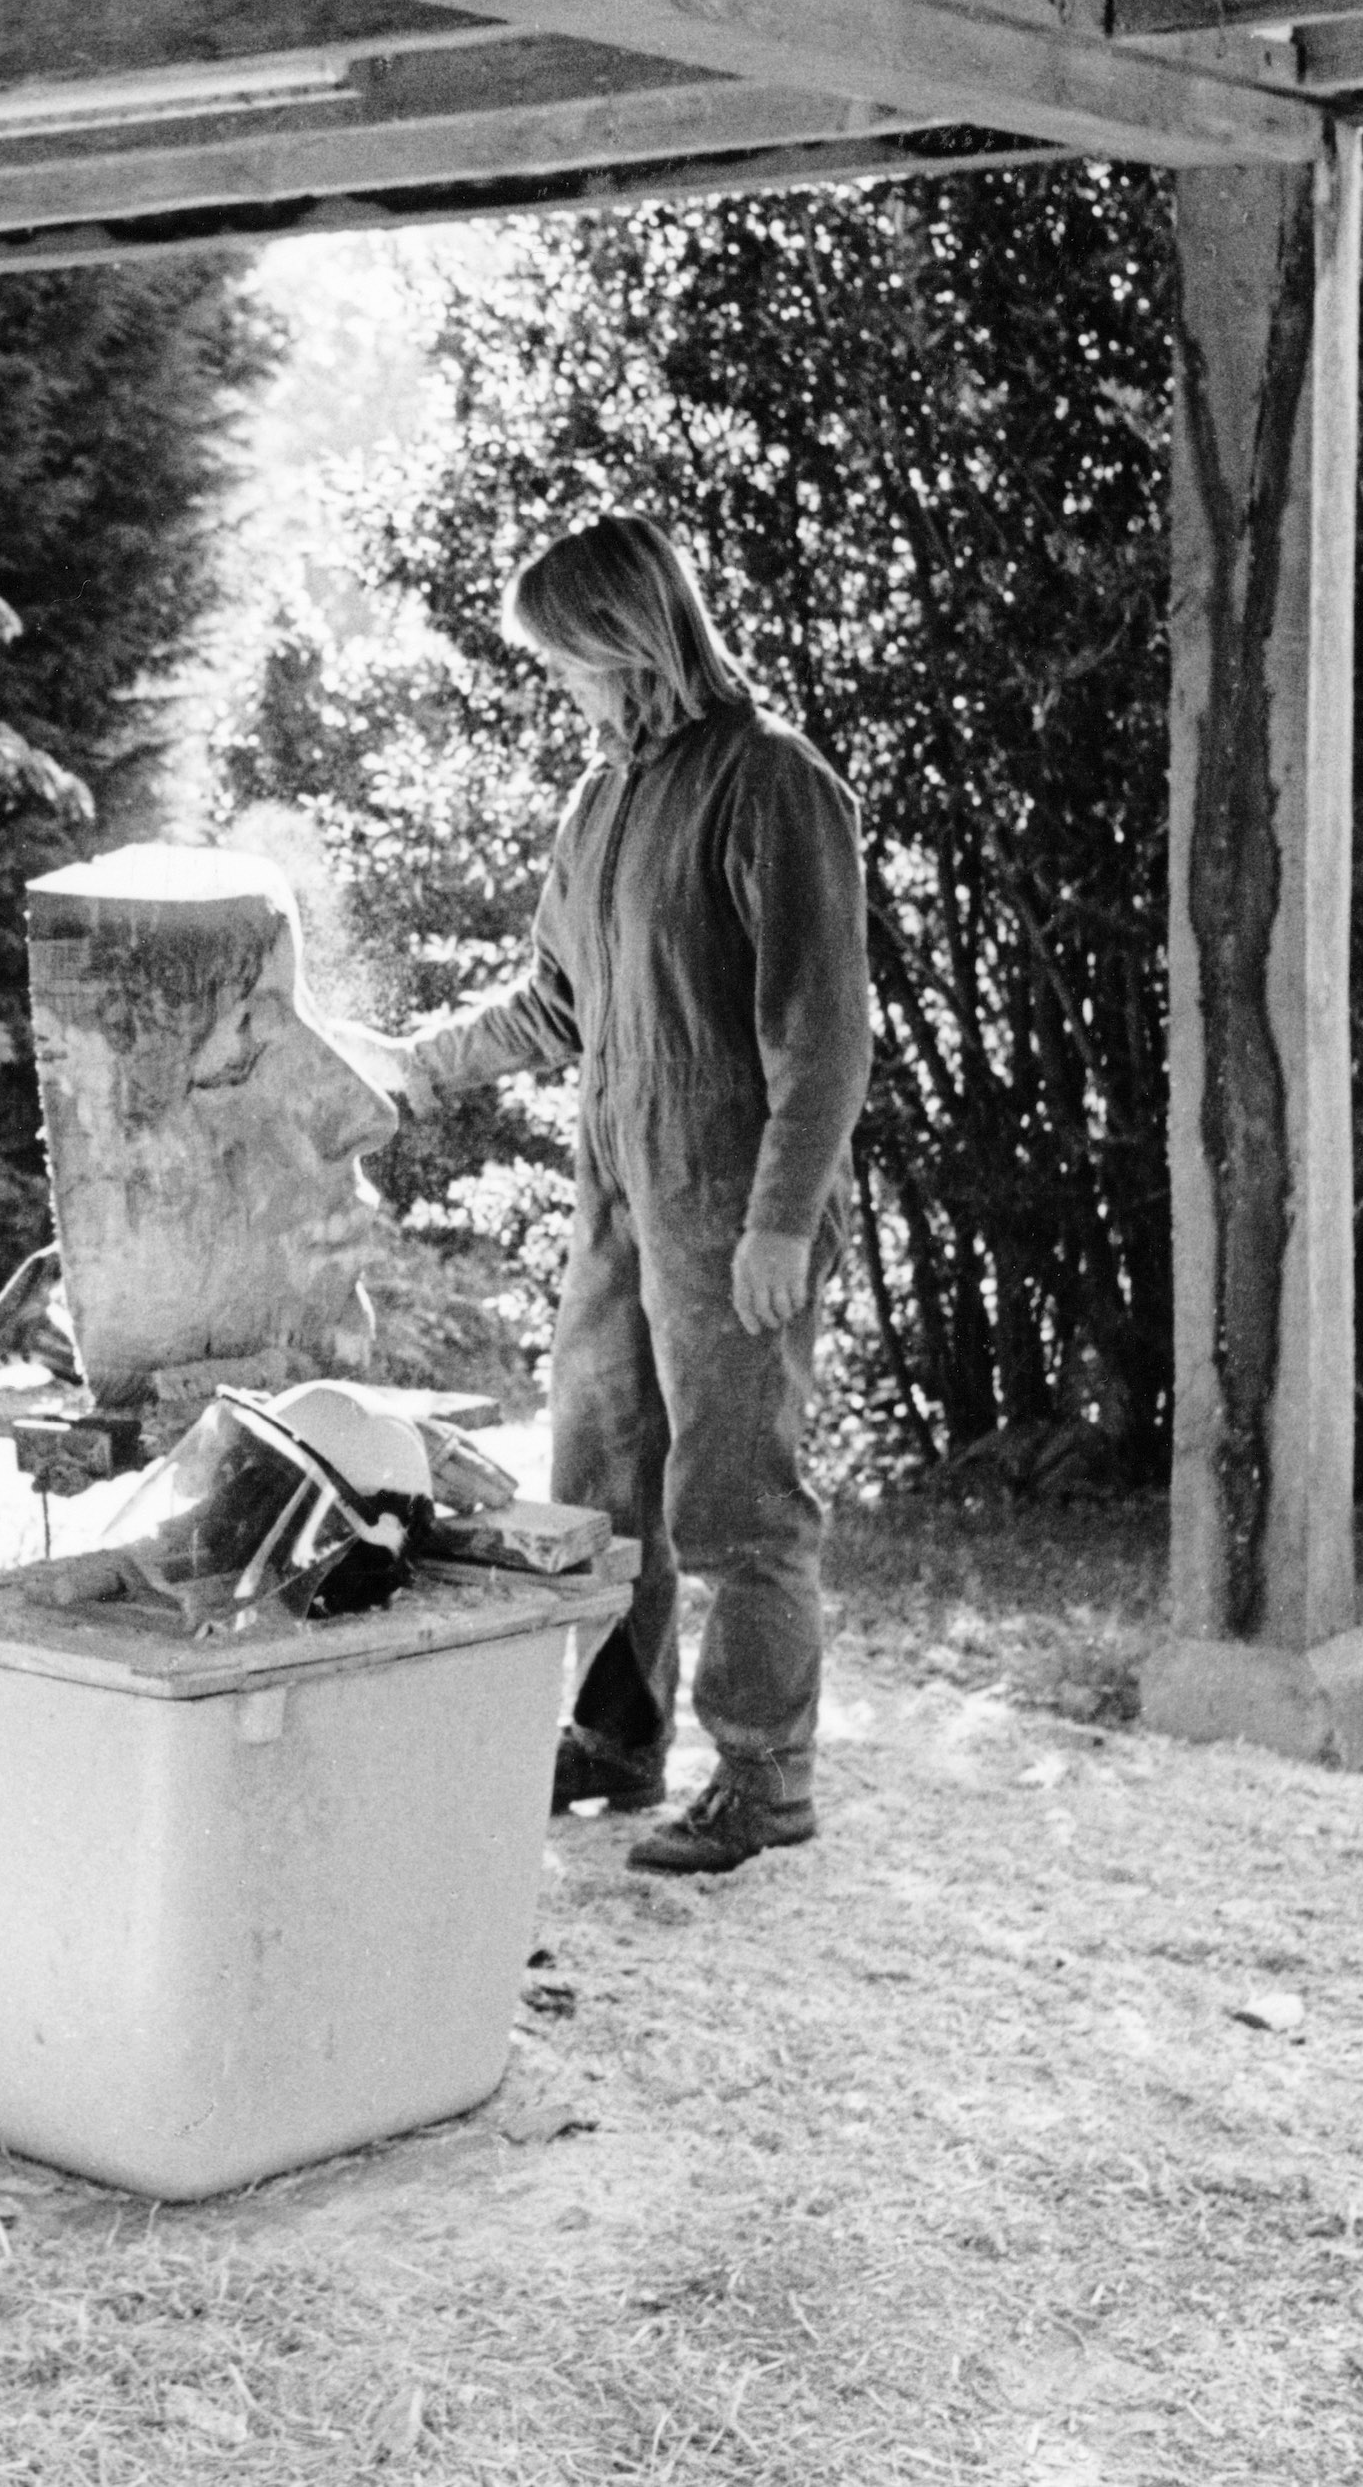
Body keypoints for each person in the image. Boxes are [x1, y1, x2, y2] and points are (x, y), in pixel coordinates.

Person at [350, 517, 871, 1876]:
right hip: (618, 1190)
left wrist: (777, 1221)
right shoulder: (599, 802)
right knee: (598, 1480)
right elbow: (550, 1003)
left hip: (730, 1198)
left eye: (558, 655)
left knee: (740, 1498)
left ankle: (763, 1779)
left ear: (618, 636)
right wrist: (413, 1067)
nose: (553, 682)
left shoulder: (770, 783)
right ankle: (615, 1743)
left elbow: (822, 1033)